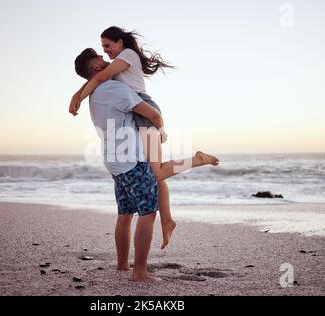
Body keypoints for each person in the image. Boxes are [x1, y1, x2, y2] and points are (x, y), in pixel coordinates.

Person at [73, 48, 220, 282]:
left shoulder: (95, 96)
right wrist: (160, 130)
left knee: (124, 214)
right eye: (101, 59)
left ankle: (122, 265)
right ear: (96, 68)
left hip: (113, 161)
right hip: (131, 159)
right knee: (148, 212)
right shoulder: (115, 89)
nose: (107, 60)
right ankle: (140, 272)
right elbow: (151, 114)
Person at [70, 26, 176, 250]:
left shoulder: (127, 54)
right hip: (137, 110)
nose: (106, 51)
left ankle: (168, 218)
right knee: (155, 173)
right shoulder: (112, 70)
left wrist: (78, 96)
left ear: (120, 42)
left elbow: (98, 77)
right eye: (102, 49)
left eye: (107, 46)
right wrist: (77, 94)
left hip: (143, 107)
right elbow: (96, 76)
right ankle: (167, 221)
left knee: (156, 172)